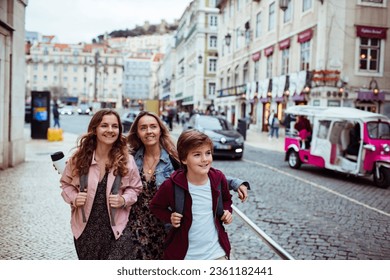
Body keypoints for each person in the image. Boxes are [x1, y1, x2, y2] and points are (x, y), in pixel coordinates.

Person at [125, 111, 249, 260]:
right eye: (143, 128)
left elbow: (204, 173)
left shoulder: (173, 157)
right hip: (139, 227)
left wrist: (236, 183)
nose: (149, 131)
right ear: (137, 133)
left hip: (169, 228)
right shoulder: (130, 159)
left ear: (160, 130)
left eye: (153, 126)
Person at [60, 109, 142, 260]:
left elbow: (135, 188)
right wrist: (74, 197)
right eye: (104, 125)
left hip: (117, 230)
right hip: (86, 231)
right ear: (95, 129)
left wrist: (124, 199)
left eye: (115, 126)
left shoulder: (127, 160)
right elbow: (65, 184)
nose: (110, 130)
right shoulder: (79, 159)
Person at [150, 129, 233, 260]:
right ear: (183, 159)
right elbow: (155, 206)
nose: (205, 159)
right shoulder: (171, 185)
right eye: (197, 155)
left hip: (217, 254)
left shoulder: (218, 178)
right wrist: (169, 216)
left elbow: (227, 200)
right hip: (185, 256)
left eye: (208, 153)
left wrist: (227, 212)